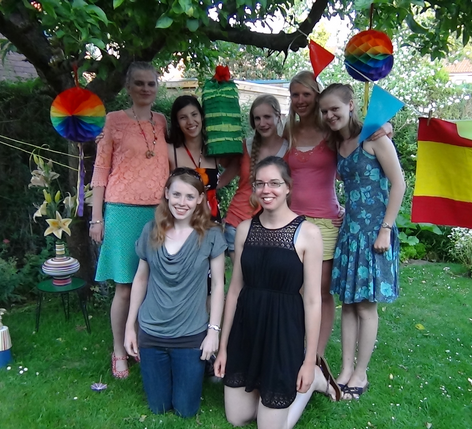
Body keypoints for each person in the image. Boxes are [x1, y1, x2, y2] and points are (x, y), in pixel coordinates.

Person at [215, 156, 341, 429]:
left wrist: (308, 360)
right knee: (237, 417)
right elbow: (234, 290)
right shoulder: (245, 229)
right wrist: (223, 348)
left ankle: (314, 381)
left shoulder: (308, 233)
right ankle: (265, 387)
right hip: (248, 330)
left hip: (283, 331)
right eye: (260, 183)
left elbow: (313, 301)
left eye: (274, 183)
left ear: (288, 187)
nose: (266, 189)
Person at [284, 70, 392, 357]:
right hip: (293, 221)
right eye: (295, 95)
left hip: (327, 221)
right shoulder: (290, 131)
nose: (300, 100)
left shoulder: (330, 133)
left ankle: (316, 356)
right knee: (293, 288)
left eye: (306, 94)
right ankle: (293, 349)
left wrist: (386, 126)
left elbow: (360, 141)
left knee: (322, 291)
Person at [318, 83, 405, 400]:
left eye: (335, 109)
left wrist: (386, 229)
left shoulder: (374, 137)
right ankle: (345, 370)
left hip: (374, 233)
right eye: (325, 111)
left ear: (351, 105)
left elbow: (399, 184)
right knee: (349, 304)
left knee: (366, 306)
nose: (330, 115)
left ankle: (361, 373)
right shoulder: (338, 144)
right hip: (350, 233)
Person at [124, 167, 227, 417]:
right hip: (152, 332)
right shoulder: (151, 230)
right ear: (167, 194)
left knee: (186, 410)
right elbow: (140, 278)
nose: (182, 202)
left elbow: (218, 285)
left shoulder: (211, 234)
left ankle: (198, 369)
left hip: (190, 335)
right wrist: (130, 326)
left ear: (200, 199)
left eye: (190, 196)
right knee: (158, 407)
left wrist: (213, 332)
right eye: (177, 194)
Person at [90, 61, 169, 379]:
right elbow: (100, 169)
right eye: (139, 83)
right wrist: (96, 218)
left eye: (151, 83)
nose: (145, 89)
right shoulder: (113, 120)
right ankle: (119, 350)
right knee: (125, 286)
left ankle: (139, 342)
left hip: (158, 211)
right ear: (128, 87)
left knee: (151, 284)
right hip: (122, 211)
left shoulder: (161, 122)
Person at [220, 94, 289, 262]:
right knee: (240, 277)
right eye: (257, 118)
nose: (262, 123)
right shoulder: (246, 146)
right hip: (237, 222)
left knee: (267, 277)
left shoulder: (289, 149)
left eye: (267, 117)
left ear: (278, 116)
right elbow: (223, 179)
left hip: (273, 228)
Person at [167, 95, 222, 223]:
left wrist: (218, 184)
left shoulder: (214, 149)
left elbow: (237, 163)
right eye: (183, 117)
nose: (190, 121)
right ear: (177, 123)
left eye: (194, 114)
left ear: (202, 116)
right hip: (180, 223)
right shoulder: (169, 150)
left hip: (211, 222)